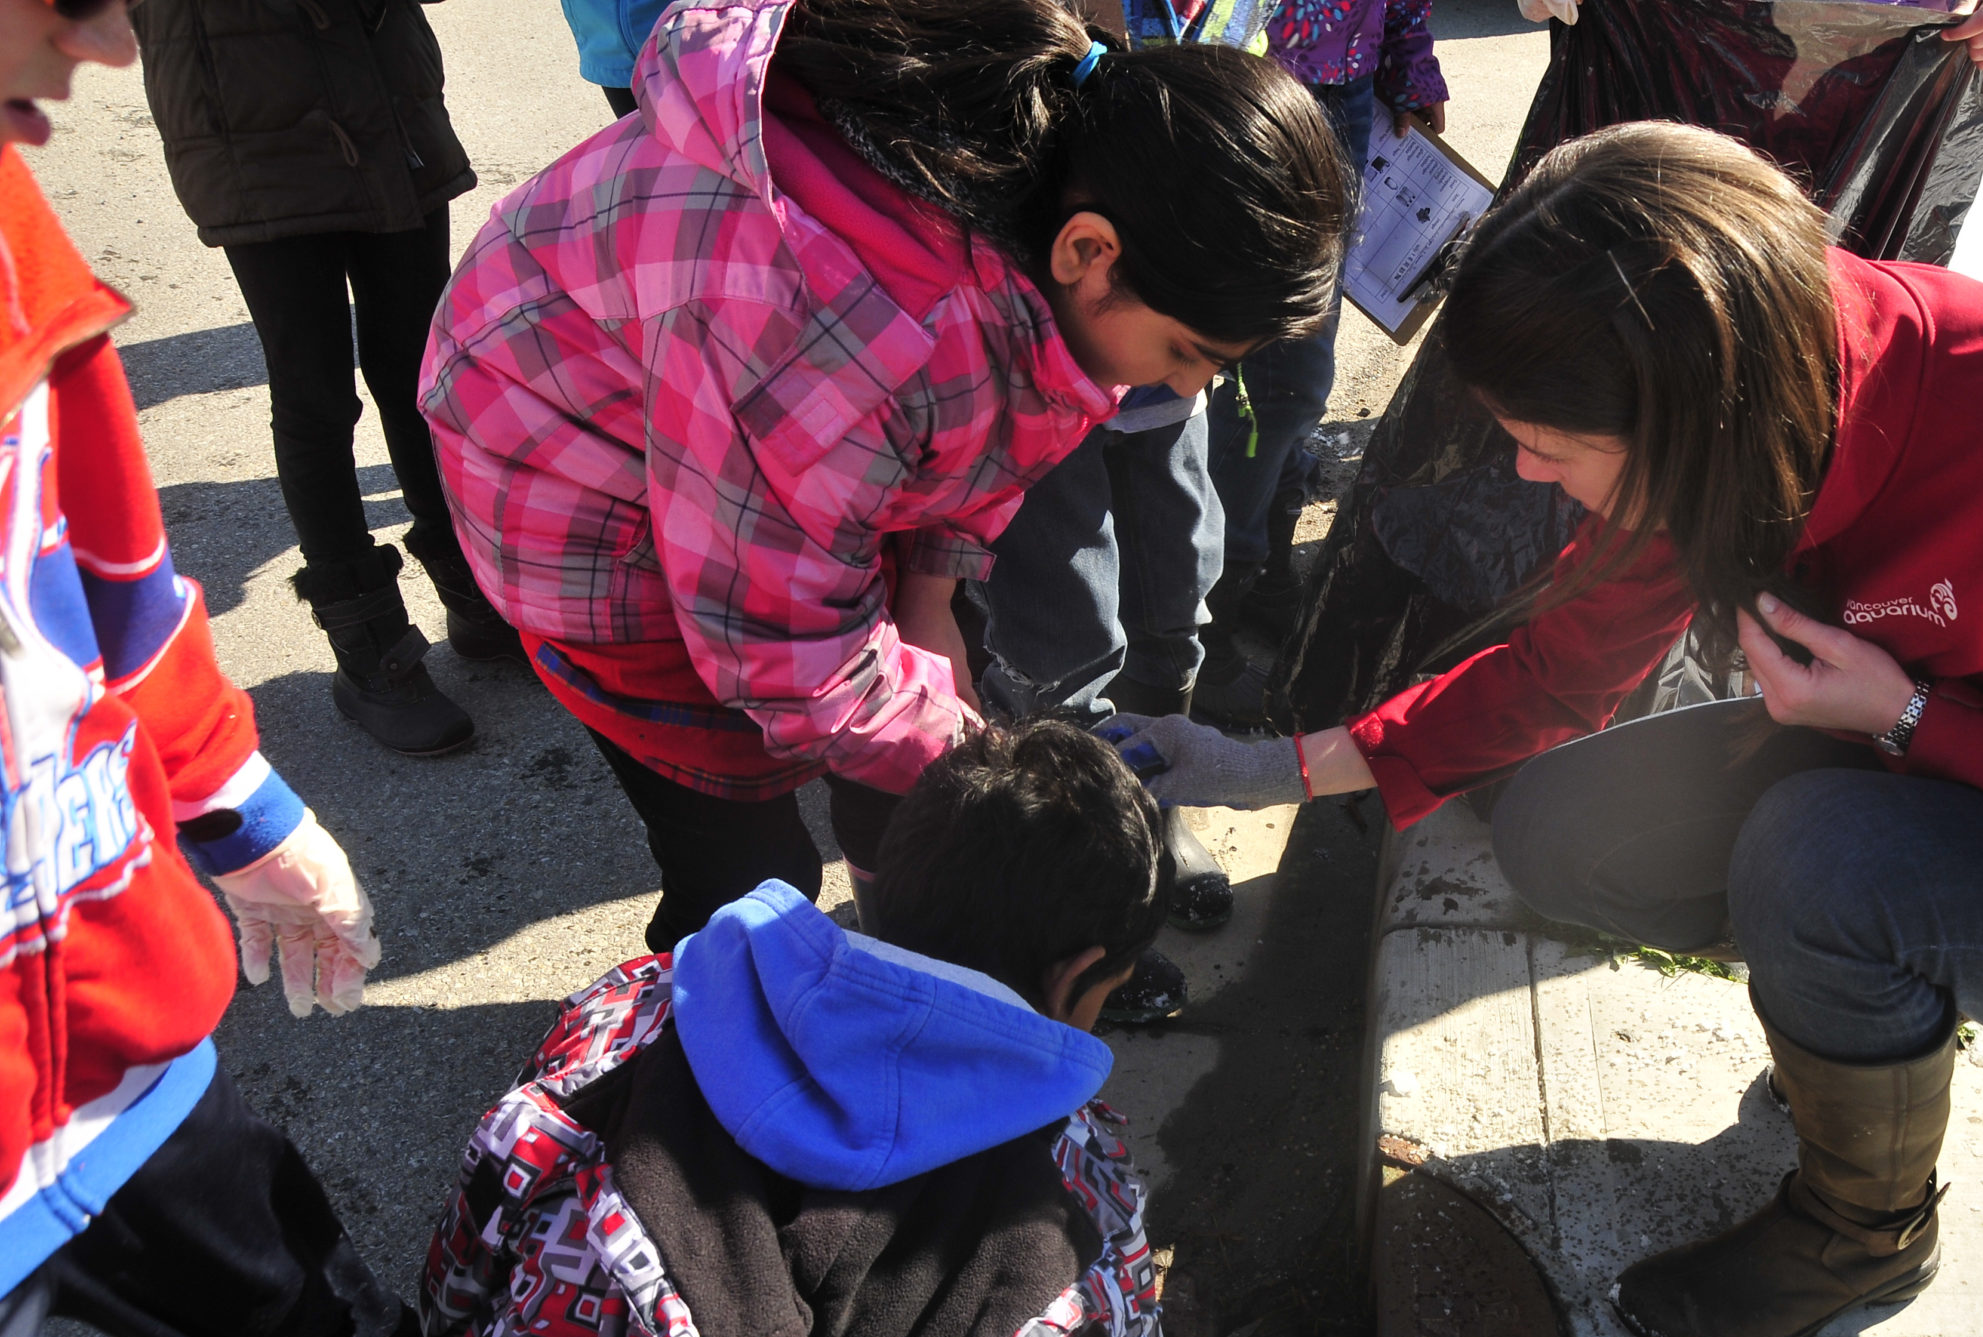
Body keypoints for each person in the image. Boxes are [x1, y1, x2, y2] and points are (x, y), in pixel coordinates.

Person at [1104, 123, 1983, 1337]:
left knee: (1818, 860)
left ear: (1692, 409)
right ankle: (1871, 1003)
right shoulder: (1747, 387)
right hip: (1928, 758)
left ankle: (1866, 1227)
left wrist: (1914, 718)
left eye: (1551, 445)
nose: (1531, 472)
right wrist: (1268, 767)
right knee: (1557, 832)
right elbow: (1566, 660)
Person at [330, 723, 1326, 1337]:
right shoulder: (1067, 1206)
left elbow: (460, 1287)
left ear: (887, 883)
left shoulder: (638, 1009)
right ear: (1079, 975)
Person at [421, 0, 1347, 1020]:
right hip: (578, 489)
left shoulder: (1028, 218)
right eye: (1186, 355)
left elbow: (983, 427)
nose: (1185, 393)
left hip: (768, 444)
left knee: (901, 736)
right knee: (750, 859)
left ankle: (917, 970)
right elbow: (781, 651)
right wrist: (980, 763)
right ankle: (694, 1040)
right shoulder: (845, 318)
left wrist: (932, 586)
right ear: (1088, 251)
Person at [0, 10, 436, 1337]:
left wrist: (244, 811)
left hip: (114, 1010)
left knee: (306, 1303)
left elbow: (108, 560)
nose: (114, 45)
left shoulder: (15, 202)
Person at [976, 0, 1288, 940]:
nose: (1211, 377)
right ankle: (1080, 862)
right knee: (1064, 626)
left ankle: (1159, 809)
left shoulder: (1180, 360)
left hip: (1158, 356)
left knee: (1179, 584)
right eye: (1201, 355)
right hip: (1056, 379)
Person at [132, 0, 514, 756]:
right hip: (253, 122)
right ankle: (368, 644)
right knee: (314, 392)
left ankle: (474, 590)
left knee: (423, 369)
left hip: (385, 101)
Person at [1196, 0, 1448, 696]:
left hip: (1347, 96)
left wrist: (1408, 64)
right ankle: (1203, 633)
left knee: (1296, 375)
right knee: (1278, 380)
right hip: (1252, 95)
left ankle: (1264, 581)